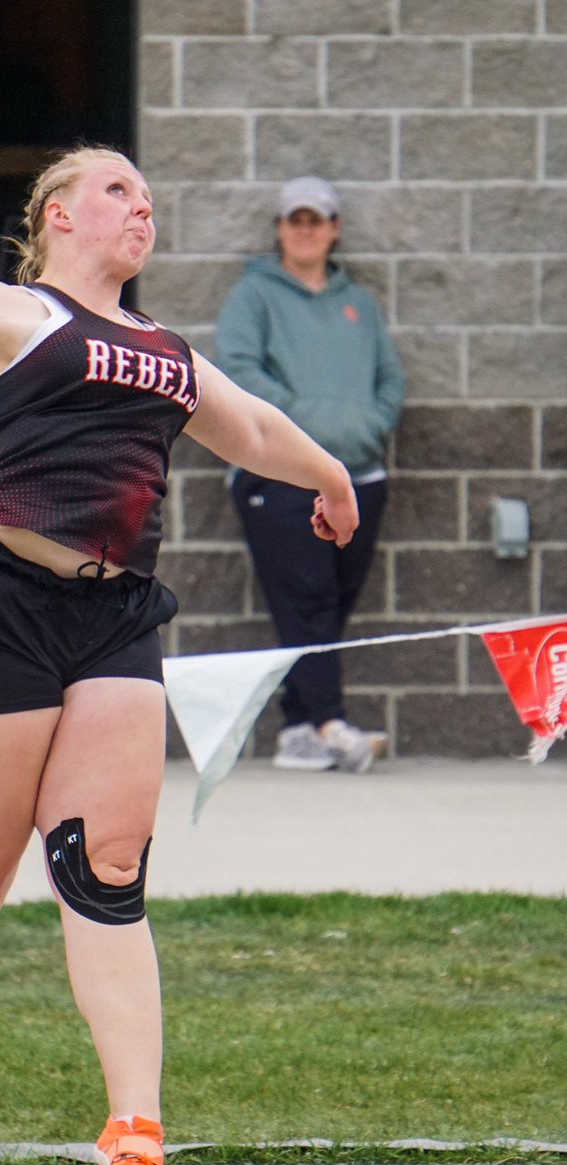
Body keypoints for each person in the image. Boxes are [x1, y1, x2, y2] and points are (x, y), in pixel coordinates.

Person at [0, 94, 359, 1165]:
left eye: (148, 197)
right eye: (114, 190)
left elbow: (252, 428)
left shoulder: (164, 350)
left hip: (112, 616)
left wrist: (328, 476)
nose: (140, 207)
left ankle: (136, 1134)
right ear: (54, 216)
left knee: (107, 868)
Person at [215, 176, 406, 775]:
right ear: (279, 229)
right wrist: (317, 434)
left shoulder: (360, 304)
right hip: (281, 481)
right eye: (294, 219)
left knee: (333, 605)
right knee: (309, 601)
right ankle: (329, 724)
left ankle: (298, 730)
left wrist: (367, 429)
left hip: (363, 476)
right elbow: (240, 374)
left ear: (334, 229)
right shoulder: (254, 296)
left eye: (316, 219)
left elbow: (391, 381)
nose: (305, 229)